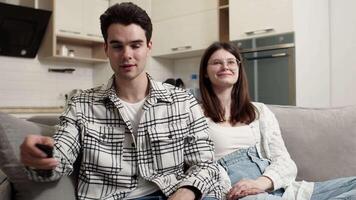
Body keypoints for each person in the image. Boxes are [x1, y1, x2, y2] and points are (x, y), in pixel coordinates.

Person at [19, 3, 228, 200]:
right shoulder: (81, 103)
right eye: (117, 46)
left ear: (149, 46)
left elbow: (206, 164)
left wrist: (187, 192)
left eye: (135, 45)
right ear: (106, 49)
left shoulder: (183, 101)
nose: (127, 55)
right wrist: (40, 159)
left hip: (173, 194)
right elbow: (61, 157)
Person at [198, 41, 356, 200]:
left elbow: (285, 162)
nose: (225, 66)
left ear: (238, 69)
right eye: (217, 62)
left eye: (231, 62)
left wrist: (261, 182)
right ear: (205, 72)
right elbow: (194, 169)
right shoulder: (194, 115)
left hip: (280, 188)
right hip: (236, 192)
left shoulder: (260, 111)